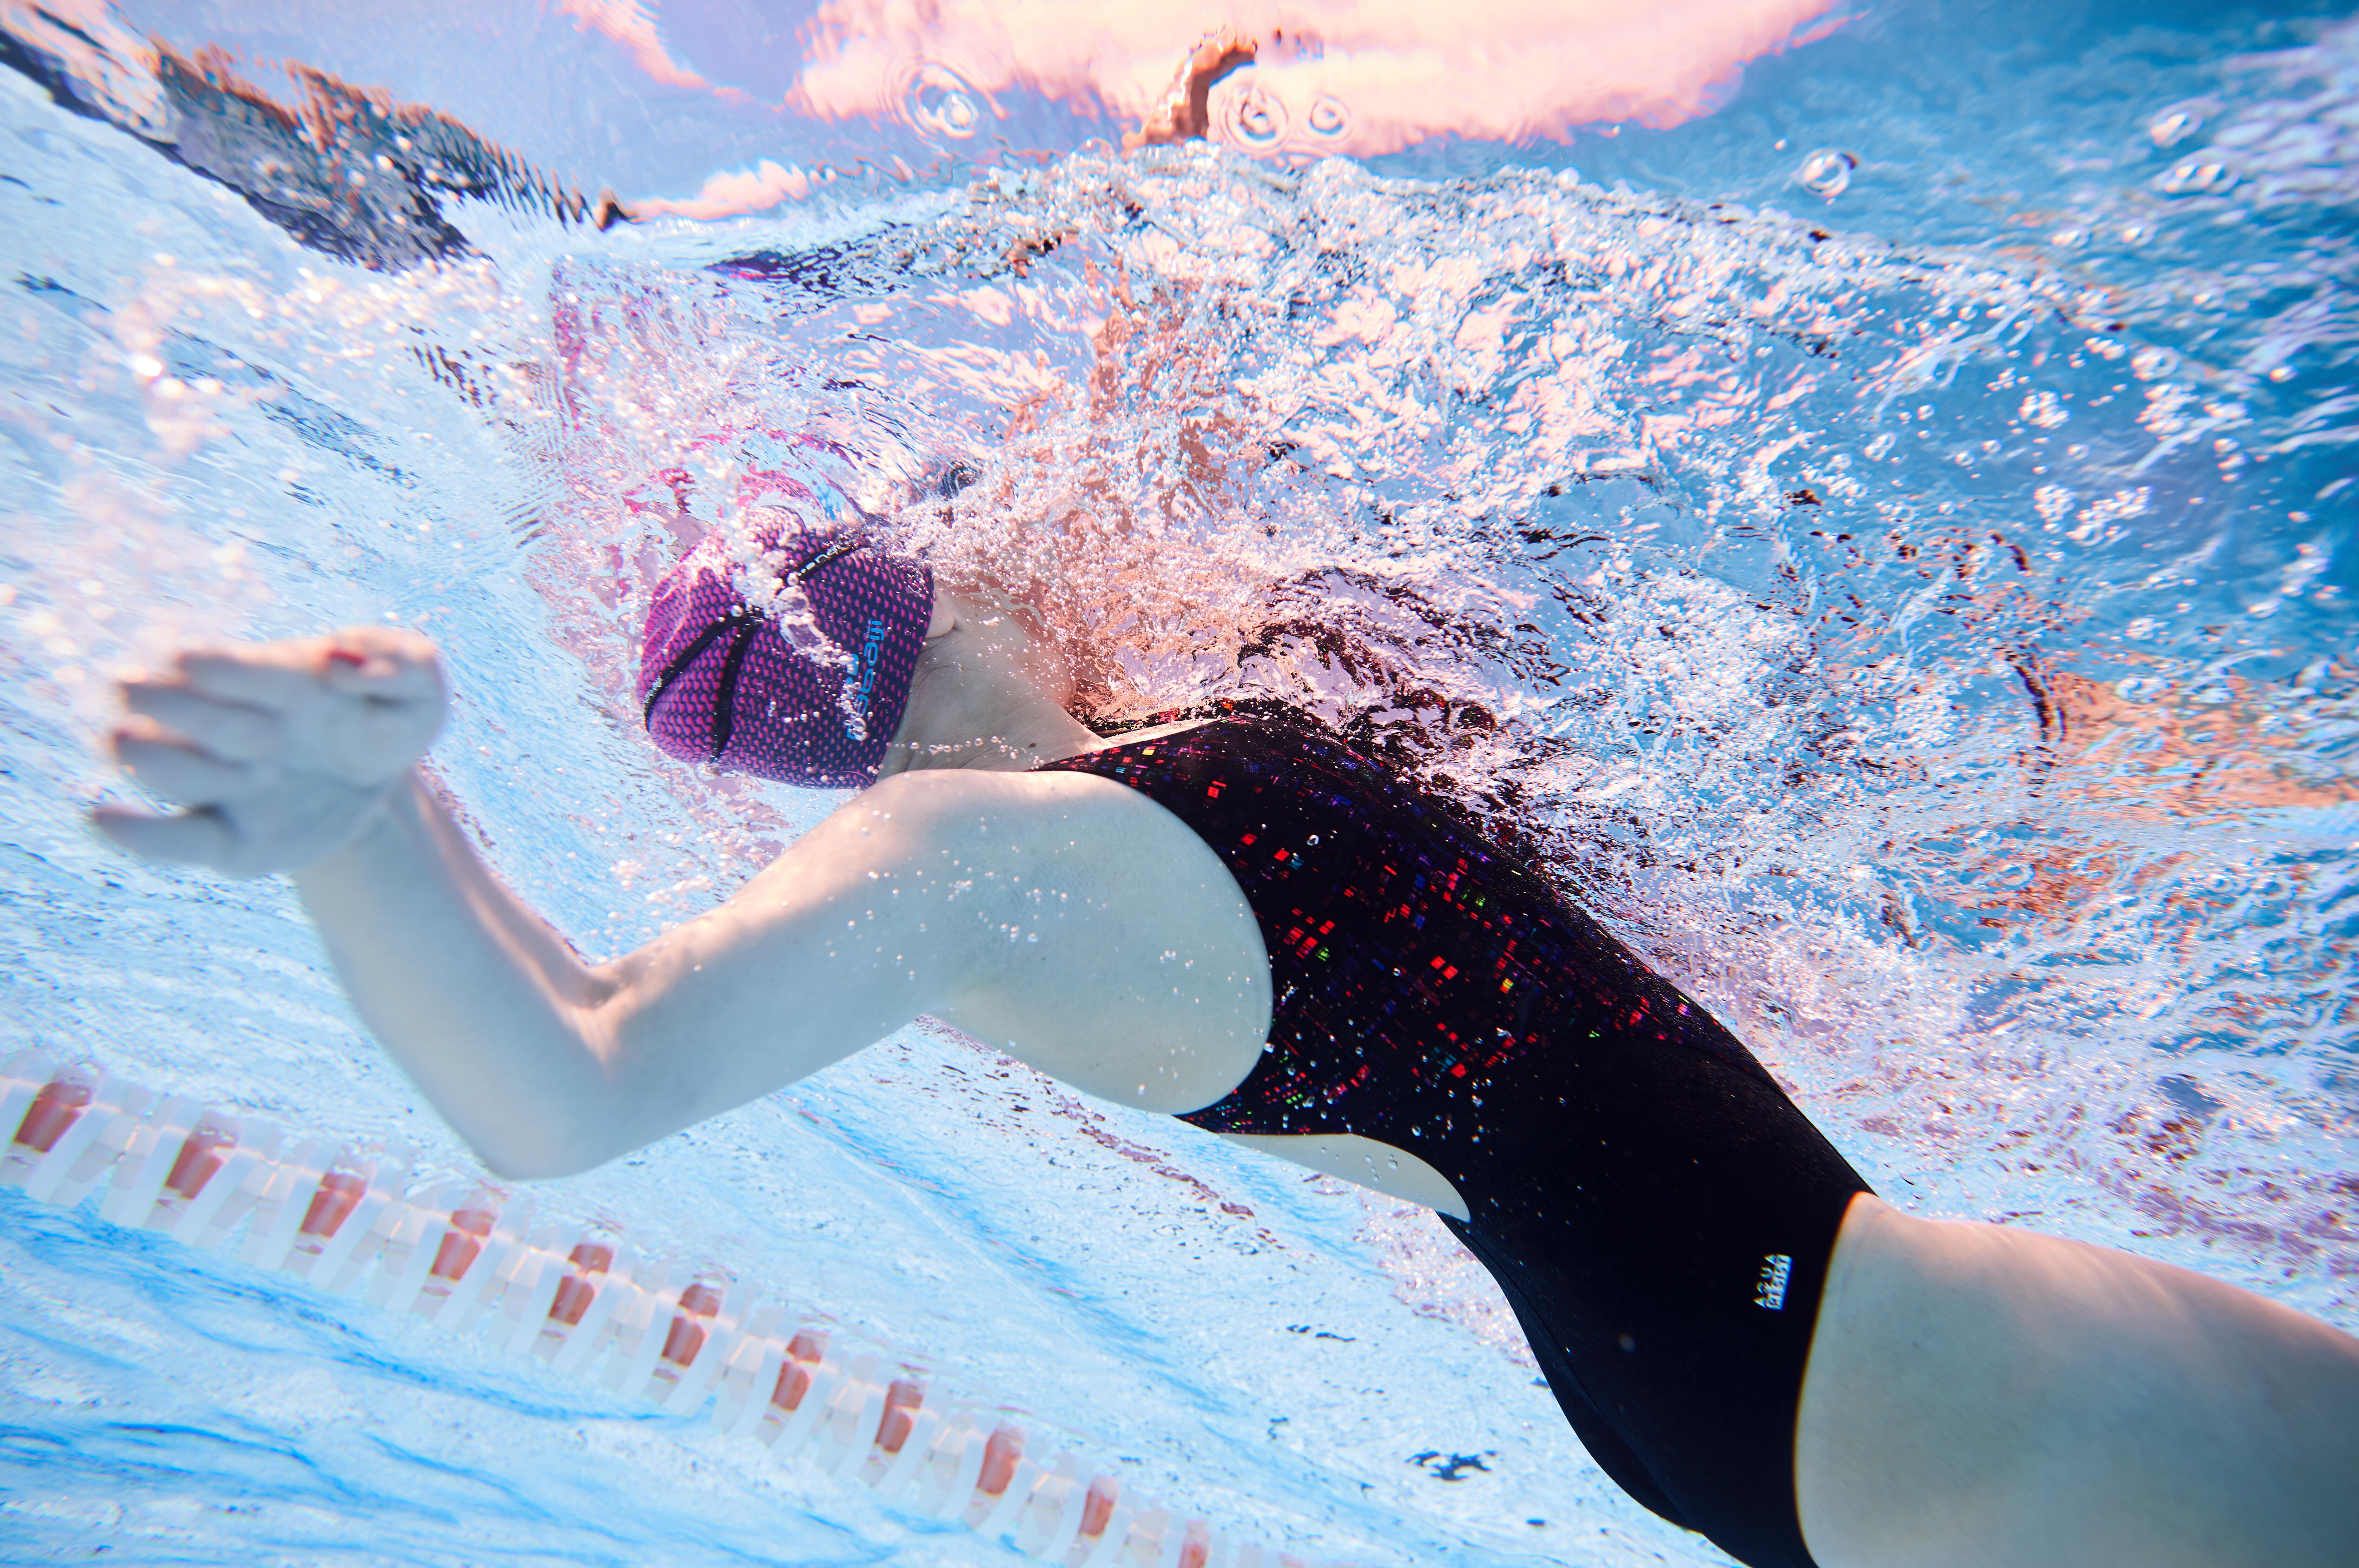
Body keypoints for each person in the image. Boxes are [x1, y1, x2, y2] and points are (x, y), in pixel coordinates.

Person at [94, 520, 2359, 1568]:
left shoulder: (1108, 803)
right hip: (1877, 1365)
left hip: (1815, 1369)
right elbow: (561, 1085)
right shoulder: (987, 858)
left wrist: (408, 821)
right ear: (908, 603)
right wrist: (351, 828)